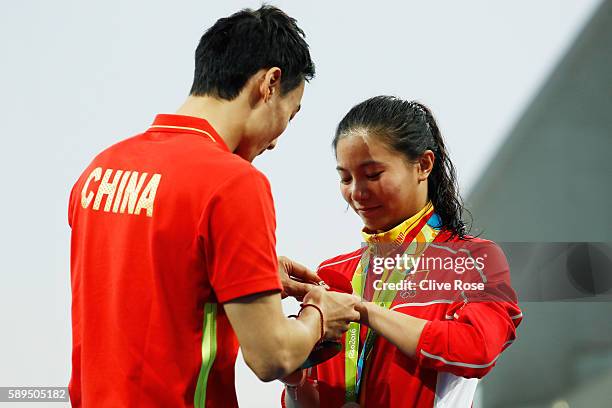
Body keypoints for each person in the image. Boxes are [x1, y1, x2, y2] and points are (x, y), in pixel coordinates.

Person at [68, 6, 360, 408]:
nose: (276, 141)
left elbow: (148, 285)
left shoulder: (98, 171)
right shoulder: (234, 183)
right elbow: (272, 356)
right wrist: (319, 312)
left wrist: (247, 268)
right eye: (289, 117)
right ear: (270, 83)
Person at [280, 96, 523, 407]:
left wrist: (363, 310)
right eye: (345, 178)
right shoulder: (334, 274)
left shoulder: (471, 261)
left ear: (423, 165)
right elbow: (315, 398)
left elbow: (477, 350)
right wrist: (293, 378)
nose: (357, 192)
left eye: (373, 174)